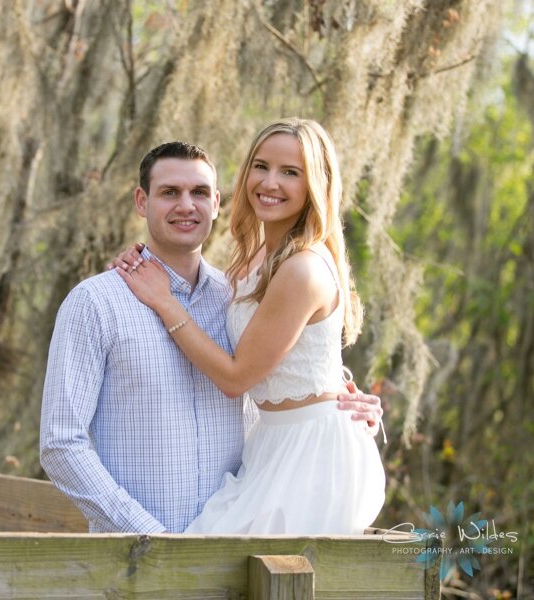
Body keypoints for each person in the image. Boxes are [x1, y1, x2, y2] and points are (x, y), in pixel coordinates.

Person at [39, 140, 382, 534]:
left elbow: (275, 373)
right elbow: (61, 443)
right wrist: (147, 537)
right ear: (141, 201)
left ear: (216, 203)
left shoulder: (236, 298)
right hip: (136, 559)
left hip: (237, 537)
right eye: (170, 193)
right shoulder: (97, 304)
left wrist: (339, 401)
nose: (187, 205)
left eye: (199, 193)